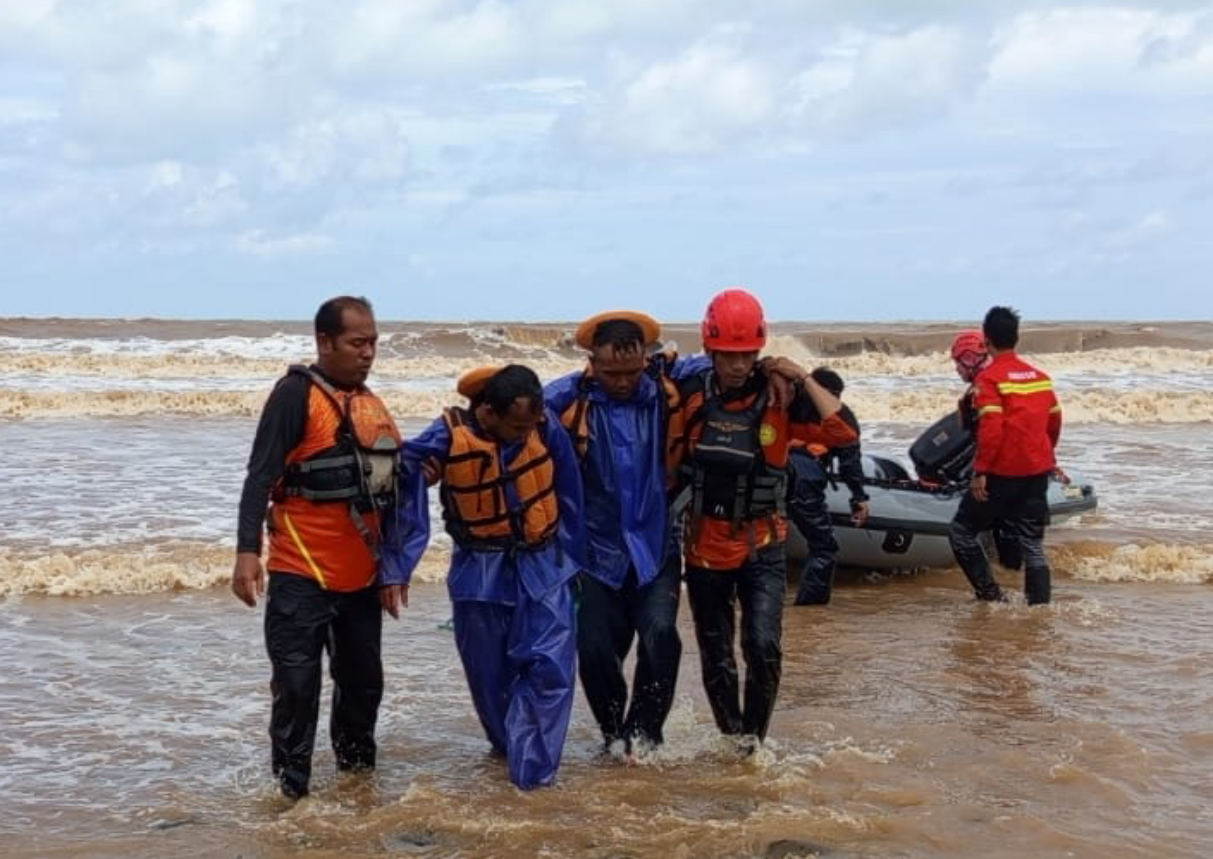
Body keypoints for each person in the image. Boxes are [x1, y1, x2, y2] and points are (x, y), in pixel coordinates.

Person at [380, 364, 585, 789]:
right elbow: (405, 470)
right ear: (488, 413)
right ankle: (509, 751)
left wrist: (575, 562)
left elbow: (570, 494)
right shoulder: (448, 436)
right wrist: (397, 566)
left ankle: (533, 778)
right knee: (491, 681)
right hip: (481, 575)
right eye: (516, 426)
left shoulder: (544, 429)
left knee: (552, 672)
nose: (524, 433)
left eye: (530, 424)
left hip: (544, 568)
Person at [670, 288, 857, 748]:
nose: (738, 365)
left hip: (763, 545)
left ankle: (754, 742)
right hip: (705, 549)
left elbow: (842, 430)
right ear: (710, 349)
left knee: (763, 647)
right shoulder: (690, 395)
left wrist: (800, 373)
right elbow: (667, 458)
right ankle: (732, 740)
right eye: (729, 355)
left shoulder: (781, 396)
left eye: (748, 354)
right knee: (717, 658)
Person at [231, 295, 401, 799]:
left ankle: (356, 787)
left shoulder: (372, 404)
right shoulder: (293, 395)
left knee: (364, 685)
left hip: (361, 577)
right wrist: (246, 552)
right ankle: (291, 794)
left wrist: (395, 569)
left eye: (373, 342)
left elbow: (395, 495)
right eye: (357, 343)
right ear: (324, 342)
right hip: (300, 571)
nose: (368, 353)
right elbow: (259, 475)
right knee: (297, 690)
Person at [545, 311, 703, 756]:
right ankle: (614, 736)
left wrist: (777, 367)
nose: (622, 382)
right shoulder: (566, 399)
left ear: (645, 360)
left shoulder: (663, 390)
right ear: (592, 362)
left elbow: (718, 364)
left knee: (661, 636)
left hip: (656, 546)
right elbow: (513, 413)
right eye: (611, 372)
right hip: (593, 553)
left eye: (631, 372)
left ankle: (646, 738)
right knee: (593, 650)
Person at [948, 307, 1063, 605]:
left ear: (986, 341)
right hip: (1037, 471)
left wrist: (980, 471)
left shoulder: (990, 380)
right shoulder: (1041, 378)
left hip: (1002, 472)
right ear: (1017, 337)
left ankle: (991, 597)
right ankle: (1039, 608)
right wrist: (1046, 459)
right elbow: (1053, 423)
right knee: (1033, 546)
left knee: (960, 532)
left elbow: (992, 428)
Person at [787, 366, 869, 606]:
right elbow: (850, 461)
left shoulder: (785, 403)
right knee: (824, 547)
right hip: (804, 478)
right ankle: (810, 610)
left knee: (765, 542)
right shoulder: (840, 419)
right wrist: (858, 498)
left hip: (769, 473)